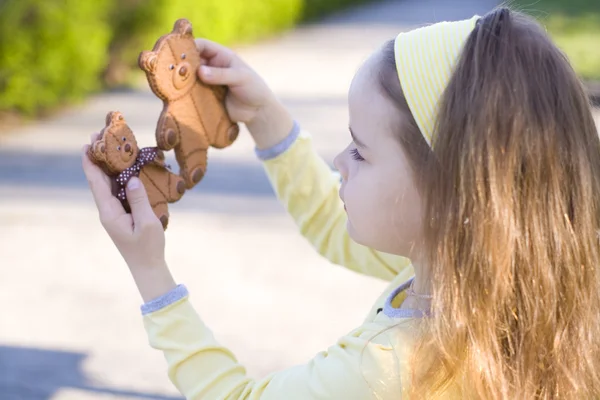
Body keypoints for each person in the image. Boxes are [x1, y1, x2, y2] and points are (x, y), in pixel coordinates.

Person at [81, 7, 600, 399]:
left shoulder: (391, 367)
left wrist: (152, 274)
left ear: (449, 191)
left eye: (361, 150)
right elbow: (334, 224)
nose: (340, 159)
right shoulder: (496, 270)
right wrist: (266, 117)